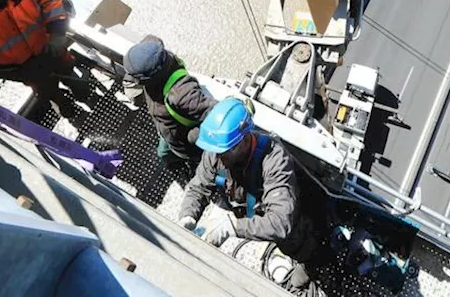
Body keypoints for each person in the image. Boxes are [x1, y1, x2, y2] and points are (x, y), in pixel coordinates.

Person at [178, 98, 322, 294]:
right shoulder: (217, 150)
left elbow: (281, 223)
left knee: (298, 241)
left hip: (290, 216)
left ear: (244, 140)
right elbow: (198, 187)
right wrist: (187, 215)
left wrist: (233, 226)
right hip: (244, 202)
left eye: (223, 153)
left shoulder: (274, 159)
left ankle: (310, 263)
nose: (217, 157)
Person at [123, 35, 216, 169]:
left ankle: (192, 164)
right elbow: (151, 39)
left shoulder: (182, 95)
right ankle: (172, 161)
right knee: (163, 154)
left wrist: (194, 138)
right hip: (166, 131)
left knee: (179, 155)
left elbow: (215, 111)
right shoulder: (155, 49)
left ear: (147, 79)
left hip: (183, 141)